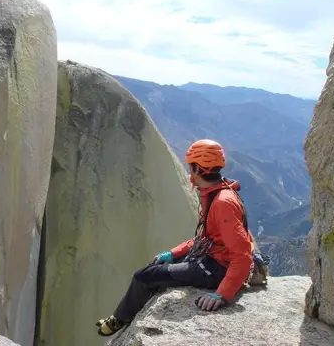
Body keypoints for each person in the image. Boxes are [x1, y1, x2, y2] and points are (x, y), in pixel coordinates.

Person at [96, 139, 254, 337]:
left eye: (190, 167)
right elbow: (205, 238)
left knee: (143, 276)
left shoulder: (221, 202)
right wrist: (173, 253)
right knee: (154, 267)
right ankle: (126, 312)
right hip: (212, 259)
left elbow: (242, 255)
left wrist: (222, 294)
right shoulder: (217, 193)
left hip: (216, 269)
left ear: (197, 168)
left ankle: (119, 319)